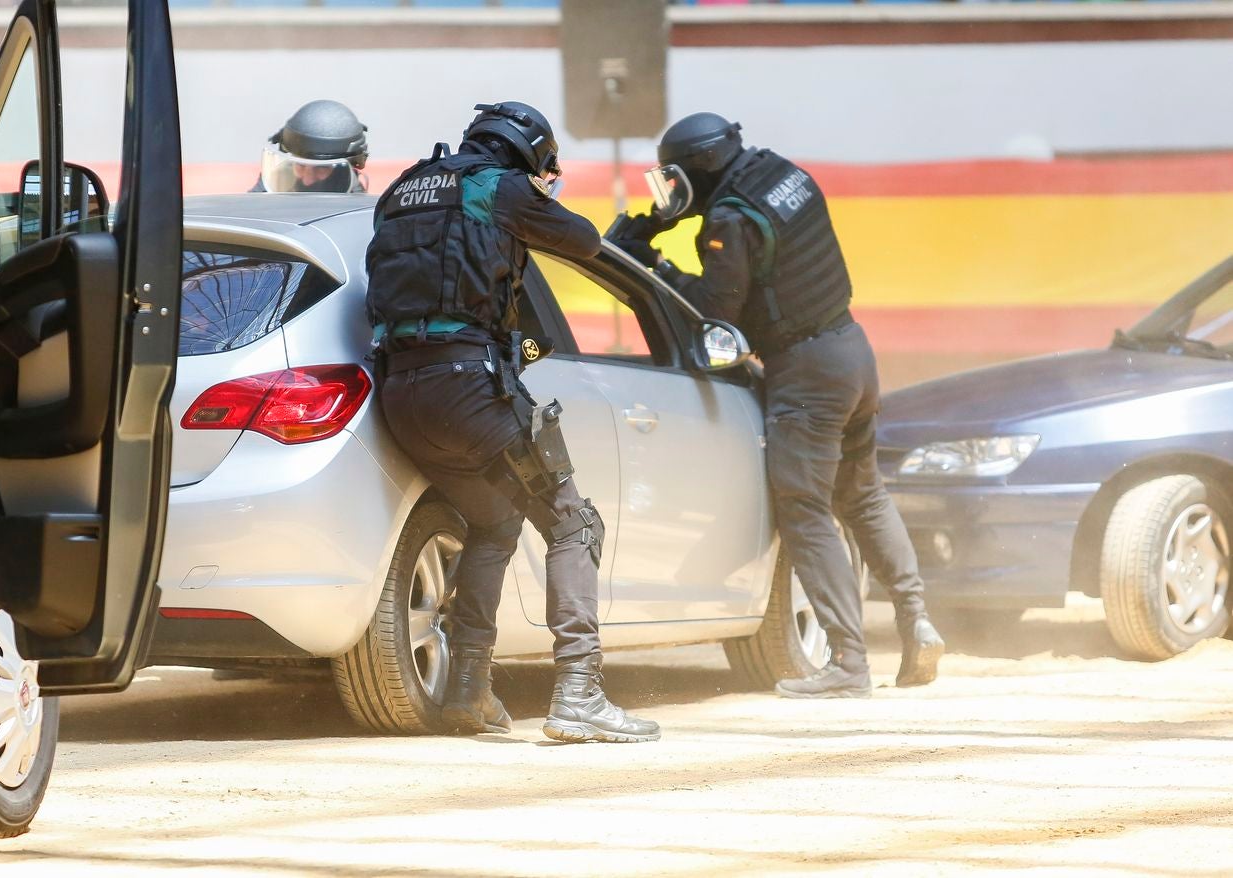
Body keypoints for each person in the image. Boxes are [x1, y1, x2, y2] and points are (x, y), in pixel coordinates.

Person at [609, 112, 944, 698]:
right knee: (862, 495)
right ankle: (916, 622)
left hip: (805, 373)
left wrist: (655, 265)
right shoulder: (782, 175)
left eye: (675, 175)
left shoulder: (730, 218)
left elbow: (715, 314)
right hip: (852, 351)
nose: (669, 189)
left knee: (805, 510)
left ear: (702, 166)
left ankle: (848, 663)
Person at [365, 101, 660, 743]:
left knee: (494, 522)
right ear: (526, 154)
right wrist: (537, 199)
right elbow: (583, 242)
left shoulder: (401, 190)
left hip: (400, 394)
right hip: (469, 390)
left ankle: (467, 692)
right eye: (545, 167)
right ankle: (579, 693)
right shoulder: (500, 188)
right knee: (571, 522)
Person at [252, 99, 369, 194]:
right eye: (300, 165)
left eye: (321, 168)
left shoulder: (355, 200)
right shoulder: (275, 181)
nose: (307, 180)